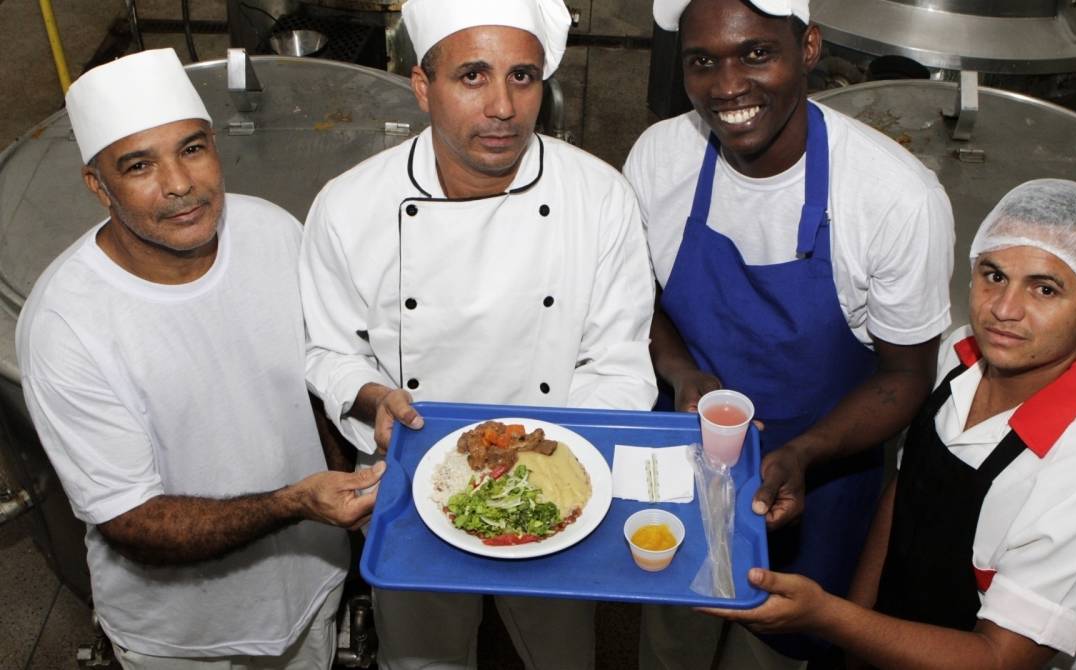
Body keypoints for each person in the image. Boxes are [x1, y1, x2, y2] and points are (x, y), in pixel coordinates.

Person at [298, 0, 658, 667]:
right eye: (472, 76)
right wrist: (372, 400)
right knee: (422, 658)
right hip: (410, 482)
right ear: (421, 86)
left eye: (522, 77)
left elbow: (618, 359)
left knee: (563, 656)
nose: (502, 106)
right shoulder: (349, 208)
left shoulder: (598, 198)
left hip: (555, 480)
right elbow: (328, 350)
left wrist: (557, 476)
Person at [704, 179, 1076, 670]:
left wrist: (827, 617)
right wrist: (854, 637)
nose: (1004, 310)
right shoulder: (960, 356)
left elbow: (998, 659)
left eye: (1045, 288)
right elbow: (906, 494)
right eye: (993, 275)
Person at [16, 49, 383, 668]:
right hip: (184, 636)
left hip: (310, 586)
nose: (180, 184)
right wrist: (296, 502)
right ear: (97, 185)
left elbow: (309, 384)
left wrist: (345, 484)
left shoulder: (274, 234)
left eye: (191, 149)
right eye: (139, 166)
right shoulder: (66, 325)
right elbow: (132, 522)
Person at [623, 0, 955, 665]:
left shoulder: (892, 198)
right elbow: (640, 298)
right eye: (701, 61)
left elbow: (906, 376)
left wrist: (802, 454)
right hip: (688, 463)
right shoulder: (662, 158)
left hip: (823, 474)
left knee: (777, 647)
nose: (726, 86)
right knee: (673, 631)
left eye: (755, 54)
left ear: (808, 47)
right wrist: (682, 370)